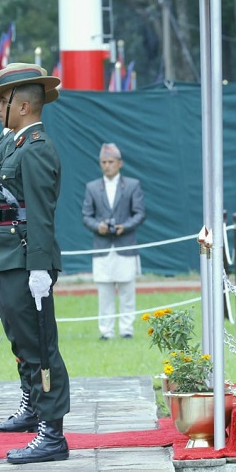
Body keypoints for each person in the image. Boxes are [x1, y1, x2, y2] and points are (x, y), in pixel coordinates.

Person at [0, 62, 70, 464]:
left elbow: (41, 214)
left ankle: (52, 433)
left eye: (3, 100)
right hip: (4, 257)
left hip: (23, 259)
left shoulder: (36, 149)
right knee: (22, 343)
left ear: (24, 105)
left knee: (39, 348)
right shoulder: (15, 144)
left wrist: (38, 268)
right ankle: (33, 408)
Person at [81, 143, 147, 340]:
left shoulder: (132, 185)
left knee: (127, 290)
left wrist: (124, 227)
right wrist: (98, 226)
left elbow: (140, 213)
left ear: (120, 163)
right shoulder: (92, 187)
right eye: (103, 162)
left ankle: (127, 329)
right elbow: (86, 216)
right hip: (102, 247)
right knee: (104, 292)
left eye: (110, 162)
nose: (107, 165)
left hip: (125, 245)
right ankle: (106, 331)